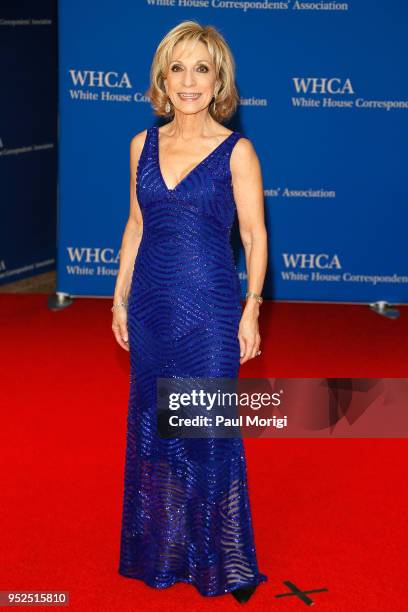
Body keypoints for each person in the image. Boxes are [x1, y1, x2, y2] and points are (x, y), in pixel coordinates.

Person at [112, 20, 268, 603]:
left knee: (206, 432)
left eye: (201, 68)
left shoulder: (237, 151)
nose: (188, 80)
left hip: (209, 308)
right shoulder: (141, 145)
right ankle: (164, 548)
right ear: (163, 78)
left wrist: (251, 309)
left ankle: (221, 556)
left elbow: (254, 238)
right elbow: (135, 225)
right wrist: (120, 295)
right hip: (152, 302)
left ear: (218, 78)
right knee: (154, 426)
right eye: (178, 68)